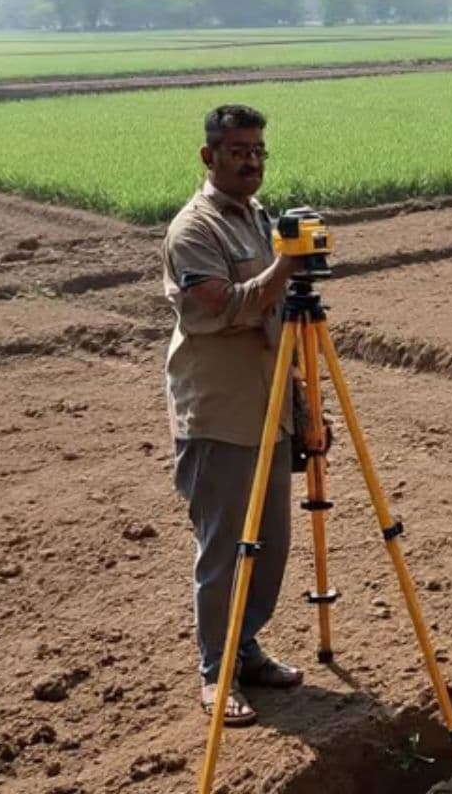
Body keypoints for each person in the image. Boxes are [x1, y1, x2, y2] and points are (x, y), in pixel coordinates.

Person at [163, 104, 304, 727]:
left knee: (271, 545)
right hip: (219, 414)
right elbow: (222, 306)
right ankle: (216, 673)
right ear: (209, 155)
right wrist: (287, 267)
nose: (251, 160)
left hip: (269, 407)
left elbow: (278, 318)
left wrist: (302, 406)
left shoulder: (258, 218)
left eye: (258, 151)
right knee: (225, 550)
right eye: (238, 149)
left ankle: (246, 647)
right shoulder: (193, 231)